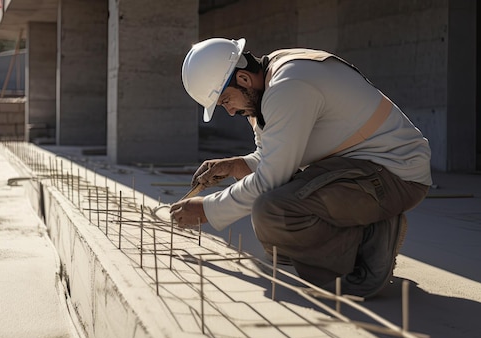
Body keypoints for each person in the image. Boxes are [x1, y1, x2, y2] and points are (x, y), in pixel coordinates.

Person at [170, 38, 432, 298]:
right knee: (279, 243)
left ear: (244, 80)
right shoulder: (268, 90)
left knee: (271, 211)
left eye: (226, 100)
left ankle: (369, 246)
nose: (229, 111)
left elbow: (272, 177)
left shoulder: (288, 86)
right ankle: (358, 233)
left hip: (394, 173)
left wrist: (208, 209)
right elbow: (275, 159)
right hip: (362, 170)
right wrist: (236, 165)